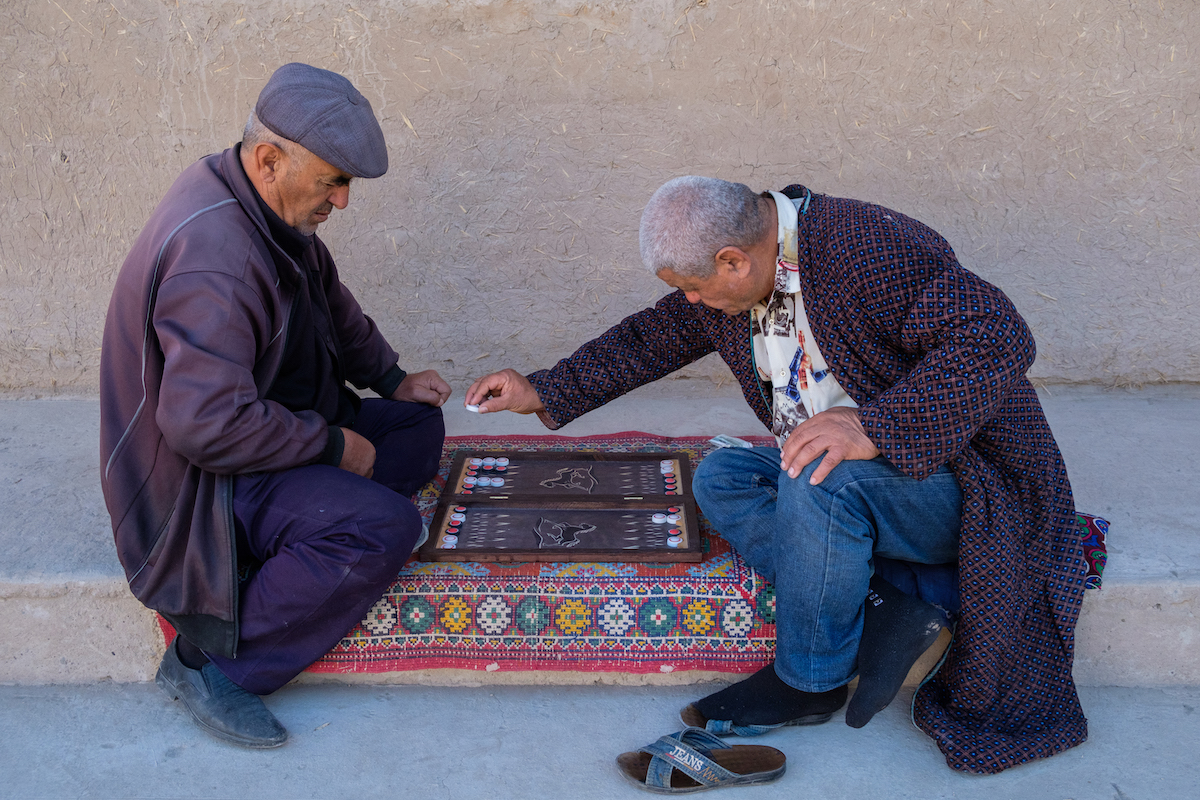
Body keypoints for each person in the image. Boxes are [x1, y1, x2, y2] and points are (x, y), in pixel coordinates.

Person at [465, 176, 1088, 774]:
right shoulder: (737, 279)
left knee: (820, 477)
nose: (690, 300)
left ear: (733, 260)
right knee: (724, 476)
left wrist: (875, 425)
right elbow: (650, 337)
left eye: (694, 285)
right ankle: (882, 611)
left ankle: (809, 682)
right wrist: (542, 389)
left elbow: (998, 334)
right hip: (864, 482)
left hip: (969, 485)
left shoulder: (864, 246)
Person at [99, 63, 450, 748]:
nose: (342, 201)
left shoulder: (259, 201)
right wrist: (329, 447)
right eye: (333, 181)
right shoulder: (217, 258)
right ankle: (211, 663)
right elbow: (205, 426)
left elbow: (331, 304)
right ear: (268, 159)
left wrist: (390, 378)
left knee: (416, 426)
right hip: (199, 488)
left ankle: (293, 536)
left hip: (267, 431)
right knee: (383, 527)